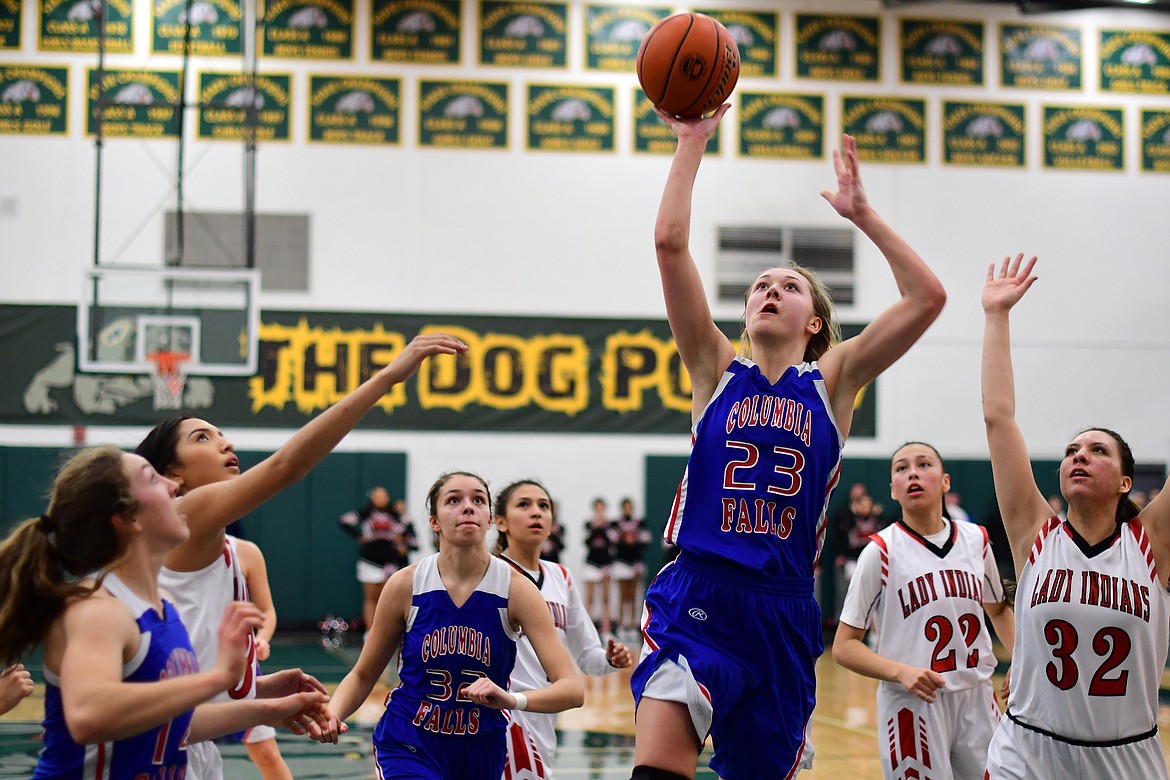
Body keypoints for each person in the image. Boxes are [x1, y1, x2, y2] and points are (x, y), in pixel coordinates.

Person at [630, 107, 946, 780]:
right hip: (701, 595)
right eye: (759, 287)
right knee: (658, 766)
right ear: (747, 314)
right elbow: (667, 242)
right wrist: (691, 142)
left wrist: (864, 215)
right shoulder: (715, 369)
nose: (771, 291)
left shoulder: (832, 382)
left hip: (784, 608)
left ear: (815, 323)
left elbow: (927, 298)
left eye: (789, 287)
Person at [135, 332, 468, 779]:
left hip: (189, 741)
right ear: (172, 473)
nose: (225, 444)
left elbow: (198, 687)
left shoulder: (234, 550)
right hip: (149, 750)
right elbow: (286, 466)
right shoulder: (184, 511)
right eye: (203, 438)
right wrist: (389, 376)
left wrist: (262, 690)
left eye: (223, 436)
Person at [0, 446, 326, 778]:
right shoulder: (98, 608)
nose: (172, 487)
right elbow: (88, 716)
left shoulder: (164, 604)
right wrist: (217, 677)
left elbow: (173, 725)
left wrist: (267, 706)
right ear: (128, 519)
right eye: (152, 479)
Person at [981, 254, 1170, 778]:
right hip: (1027, 752)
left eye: (1098, 451)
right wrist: (997, 316)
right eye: (1071, 450)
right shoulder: (1035, 534)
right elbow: (999, 418)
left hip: (1125, 756)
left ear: (1127, 482)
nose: (1079, 455)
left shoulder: (1151, 544)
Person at [314, 472, 585, 779]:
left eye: (478, 500)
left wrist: (512, 700)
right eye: (454, 500)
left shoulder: (517, 590)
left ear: (491, 520)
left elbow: (572, 689)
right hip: (410, 740)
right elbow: (363, 674)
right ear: (434, 521)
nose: (467, 507)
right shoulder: (406, 585)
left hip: (482, 746)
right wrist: (333, 713)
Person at [833, 442, 1015, 779]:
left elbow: (999, 610)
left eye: (924, 464)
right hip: (913, 702)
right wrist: (901, 672)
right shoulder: (881, 552)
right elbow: (844, 646)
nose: (913, 472)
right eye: (901, 468)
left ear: (945, 481)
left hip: (976, 695)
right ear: (892, 490)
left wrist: (1021, 663)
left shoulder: (977, 540)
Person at [494, 478, 633, 778]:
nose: (536, 513)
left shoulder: (561, 577)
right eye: (524, 505)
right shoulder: (490, 574)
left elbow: (588, 657)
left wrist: (610, 660)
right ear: (500, 522)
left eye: (544, 506)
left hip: (545, 714)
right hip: (502, 714)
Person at [233, 537, 292, 780]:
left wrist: (262, 638)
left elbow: (266, 611)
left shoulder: (244, 552)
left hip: (238, 669)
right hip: (187, 667)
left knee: (266, 753)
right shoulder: (166, 549)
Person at [339, 486, 415, 636]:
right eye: (377, 496)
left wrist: (403, 543)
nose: (380, 499)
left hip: (389, 561)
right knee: (371, 597)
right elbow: (344, 521)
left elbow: (408, 526)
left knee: (388, 598)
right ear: (372, 498)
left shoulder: (394, 514)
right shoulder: (365, 513)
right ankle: (370, 632)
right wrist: (358, 535)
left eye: (383, 496)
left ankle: (387, 632)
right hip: (369, 559)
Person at [610, 497, 652, 638]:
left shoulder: (640, 523)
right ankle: (621, 624)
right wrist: (624, 538)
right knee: (623, 595)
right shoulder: (615, 524)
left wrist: (635, 538)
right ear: (622, 508)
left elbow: (647, 540)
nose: (628, 509)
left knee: (633, 596)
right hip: (621, 563)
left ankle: (633, 626)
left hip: (635, 564)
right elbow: (612, 540)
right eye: (625, 507)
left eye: (630, 507)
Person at [583, 498, 615, 635]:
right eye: (597, 508)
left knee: (605, 598)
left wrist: (603, 528)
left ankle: (605, 627)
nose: (600, 511)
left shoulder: (610, 525)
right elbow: (586, 541)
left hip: (605, 564)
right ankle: (587, 627)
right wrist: (595, 527)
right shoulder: (589, 524)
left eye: (602, 508)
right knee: (590, 598)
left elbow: (613, 540)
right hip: (591, 563)